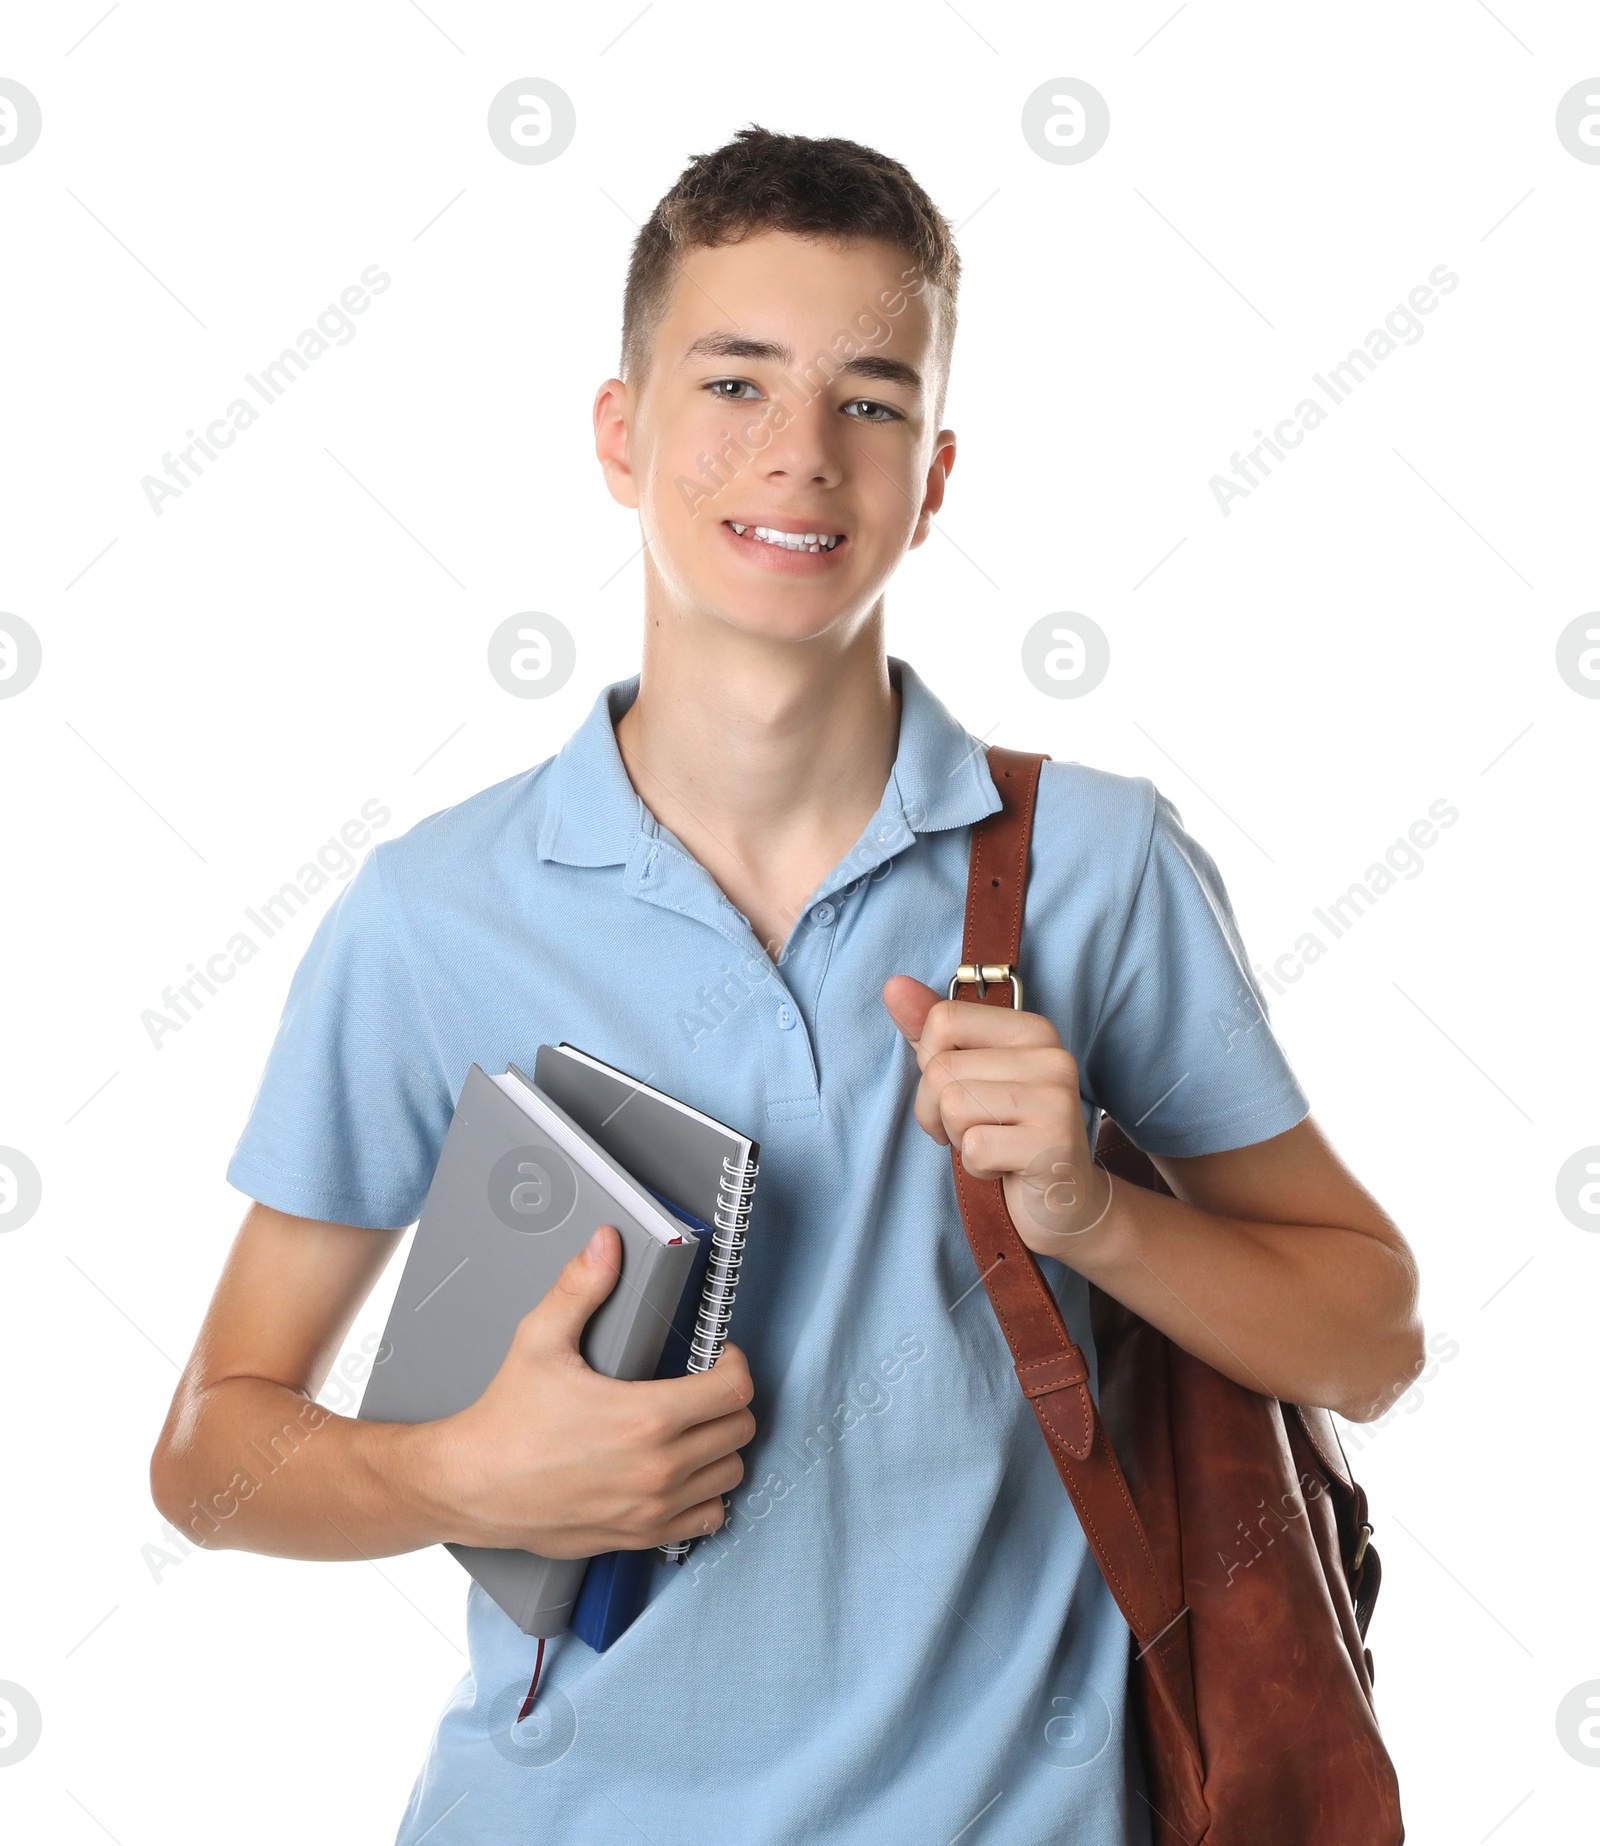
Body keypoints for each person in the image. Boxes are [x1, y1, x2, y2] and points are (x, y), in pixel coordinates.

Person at [150, 126, 1423, 1844]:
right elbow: (209, 1456)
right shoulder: (430, 912)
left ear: (937, 474)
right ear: (623, 434)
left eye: (871, 401)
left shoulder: (1093, 869)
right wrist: (466, 1470)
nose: (800, 454)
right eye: (735, 381)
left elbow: (1373, 1332)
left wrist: (1096, 1216)